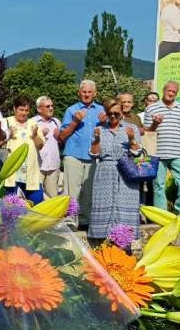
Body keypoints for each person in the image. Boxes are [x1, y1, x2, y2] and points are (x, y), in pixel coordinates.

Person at [88, 98, 142, 244]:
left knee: (125, 205)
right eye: (109, 113)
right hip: (105, 171)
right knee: (104, 208)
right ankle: (102, 246)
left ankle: (125, 243)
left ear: (121, 114)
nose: (113, 117)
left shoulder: (132, 128)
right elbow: (93, 155)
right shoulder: (99, 129)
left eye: (116, 114)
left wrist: (132, 139)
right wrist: (96, 141)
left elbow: (138, 154)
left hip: (126, 172)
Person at [144, 80, 180, 219]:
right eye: (169, 91)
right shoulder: (151, 109)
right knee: (158, 185)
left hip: (177, 152)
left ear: (176, 93)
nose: (171, 93)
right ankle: (162, 215)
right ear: (163, 90)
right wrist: (155, 123)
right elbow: (148, 132)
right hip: (157, 153)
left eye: (174, 92)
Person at [58, 80, 105, 227]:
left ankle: (85, 220)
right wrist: (75, 121)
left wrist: (105, 123)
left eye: (89, 92)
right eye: (84, 91)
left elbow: (109, 133)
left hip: (93, 156)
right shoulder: (71, 110)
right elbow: (62, 136)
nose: (86, 94)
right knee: (72, 189)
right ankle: (71, 219)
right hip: (73, 154)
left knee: (89, 190)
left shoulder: (102, 110)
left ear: (95, 93)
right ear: (79, 93)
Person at [4, 95, 45, 203]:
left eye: (26, 110)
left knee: (36, 204)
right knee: (10, 206)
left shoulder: (33, 123)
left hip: (30, 172)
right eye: (21, 110)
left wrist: (35, 135)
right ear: (14, 108)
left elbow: (40, 145)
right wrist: (8, 134)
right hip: (12, 172)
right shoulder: (6, 122)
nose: (24, 113)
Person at [32, 96, 61, 199]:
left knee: (53, 198)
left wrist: (60, 137)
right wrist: (40, 135)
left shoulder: (56, 122)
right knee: (36, 197)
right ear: (39, 109)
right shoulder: (32, 122)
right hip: (37, 166)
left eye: (52, 106)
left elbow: (61, 142)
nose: (51, 108)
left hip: (53, 165)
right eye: (48, 106)